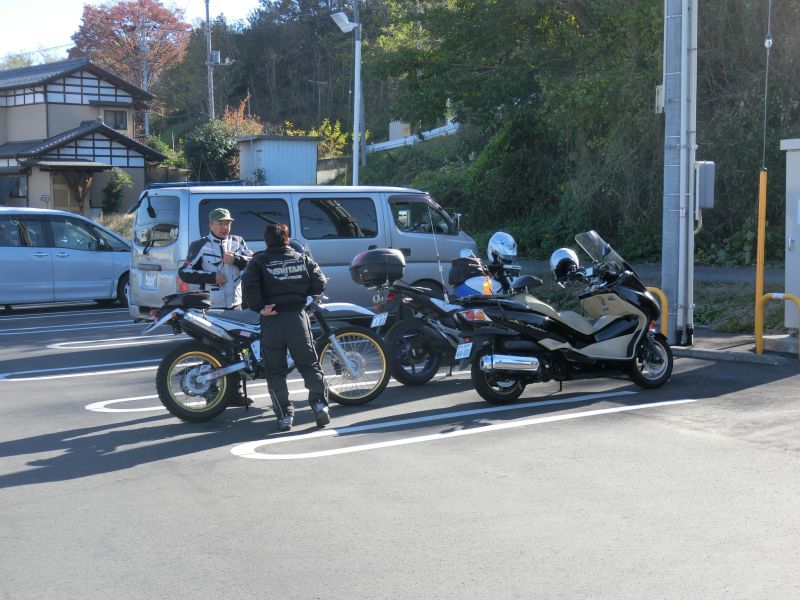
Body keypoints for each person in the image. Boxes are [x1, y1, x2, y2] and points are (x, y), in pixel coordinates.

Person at [241, 223, 330, 432]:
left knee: (275, 371)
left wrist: (260, 307)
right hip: (297, 318)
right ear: (287, 239)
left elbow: (248, 284)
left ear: (266, 242)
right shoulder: (302, 258)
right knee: (309, 365)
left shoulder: (258, 261)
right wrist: (304, 296)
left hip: (272, 319)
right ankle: (319, 405)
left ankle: (284, 416)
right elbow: (320, 282)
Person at [178, 207, 253, 405]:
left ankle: (235, 393)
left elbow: (254, 263)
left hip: (236, 306)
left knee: (237, 352)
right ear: (211, 225)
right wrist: (212, 277)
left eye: (227, 223)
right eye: (220, 223)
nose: (224, 227)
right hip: (212, 308)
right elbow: (184, 272)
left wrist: (237, 259)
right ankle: (210, 393)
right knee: (212, 351)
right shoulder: (200, 245)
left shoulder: (238, 241)